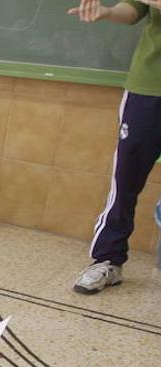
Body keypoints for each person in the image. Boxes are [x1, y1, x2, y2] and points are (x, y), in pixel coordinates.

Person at [68, 0, 161, 294]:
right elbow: (133, 8)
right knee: (125, 181)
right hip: (148, 86)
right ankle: (108, 259)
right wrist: (109, 12)